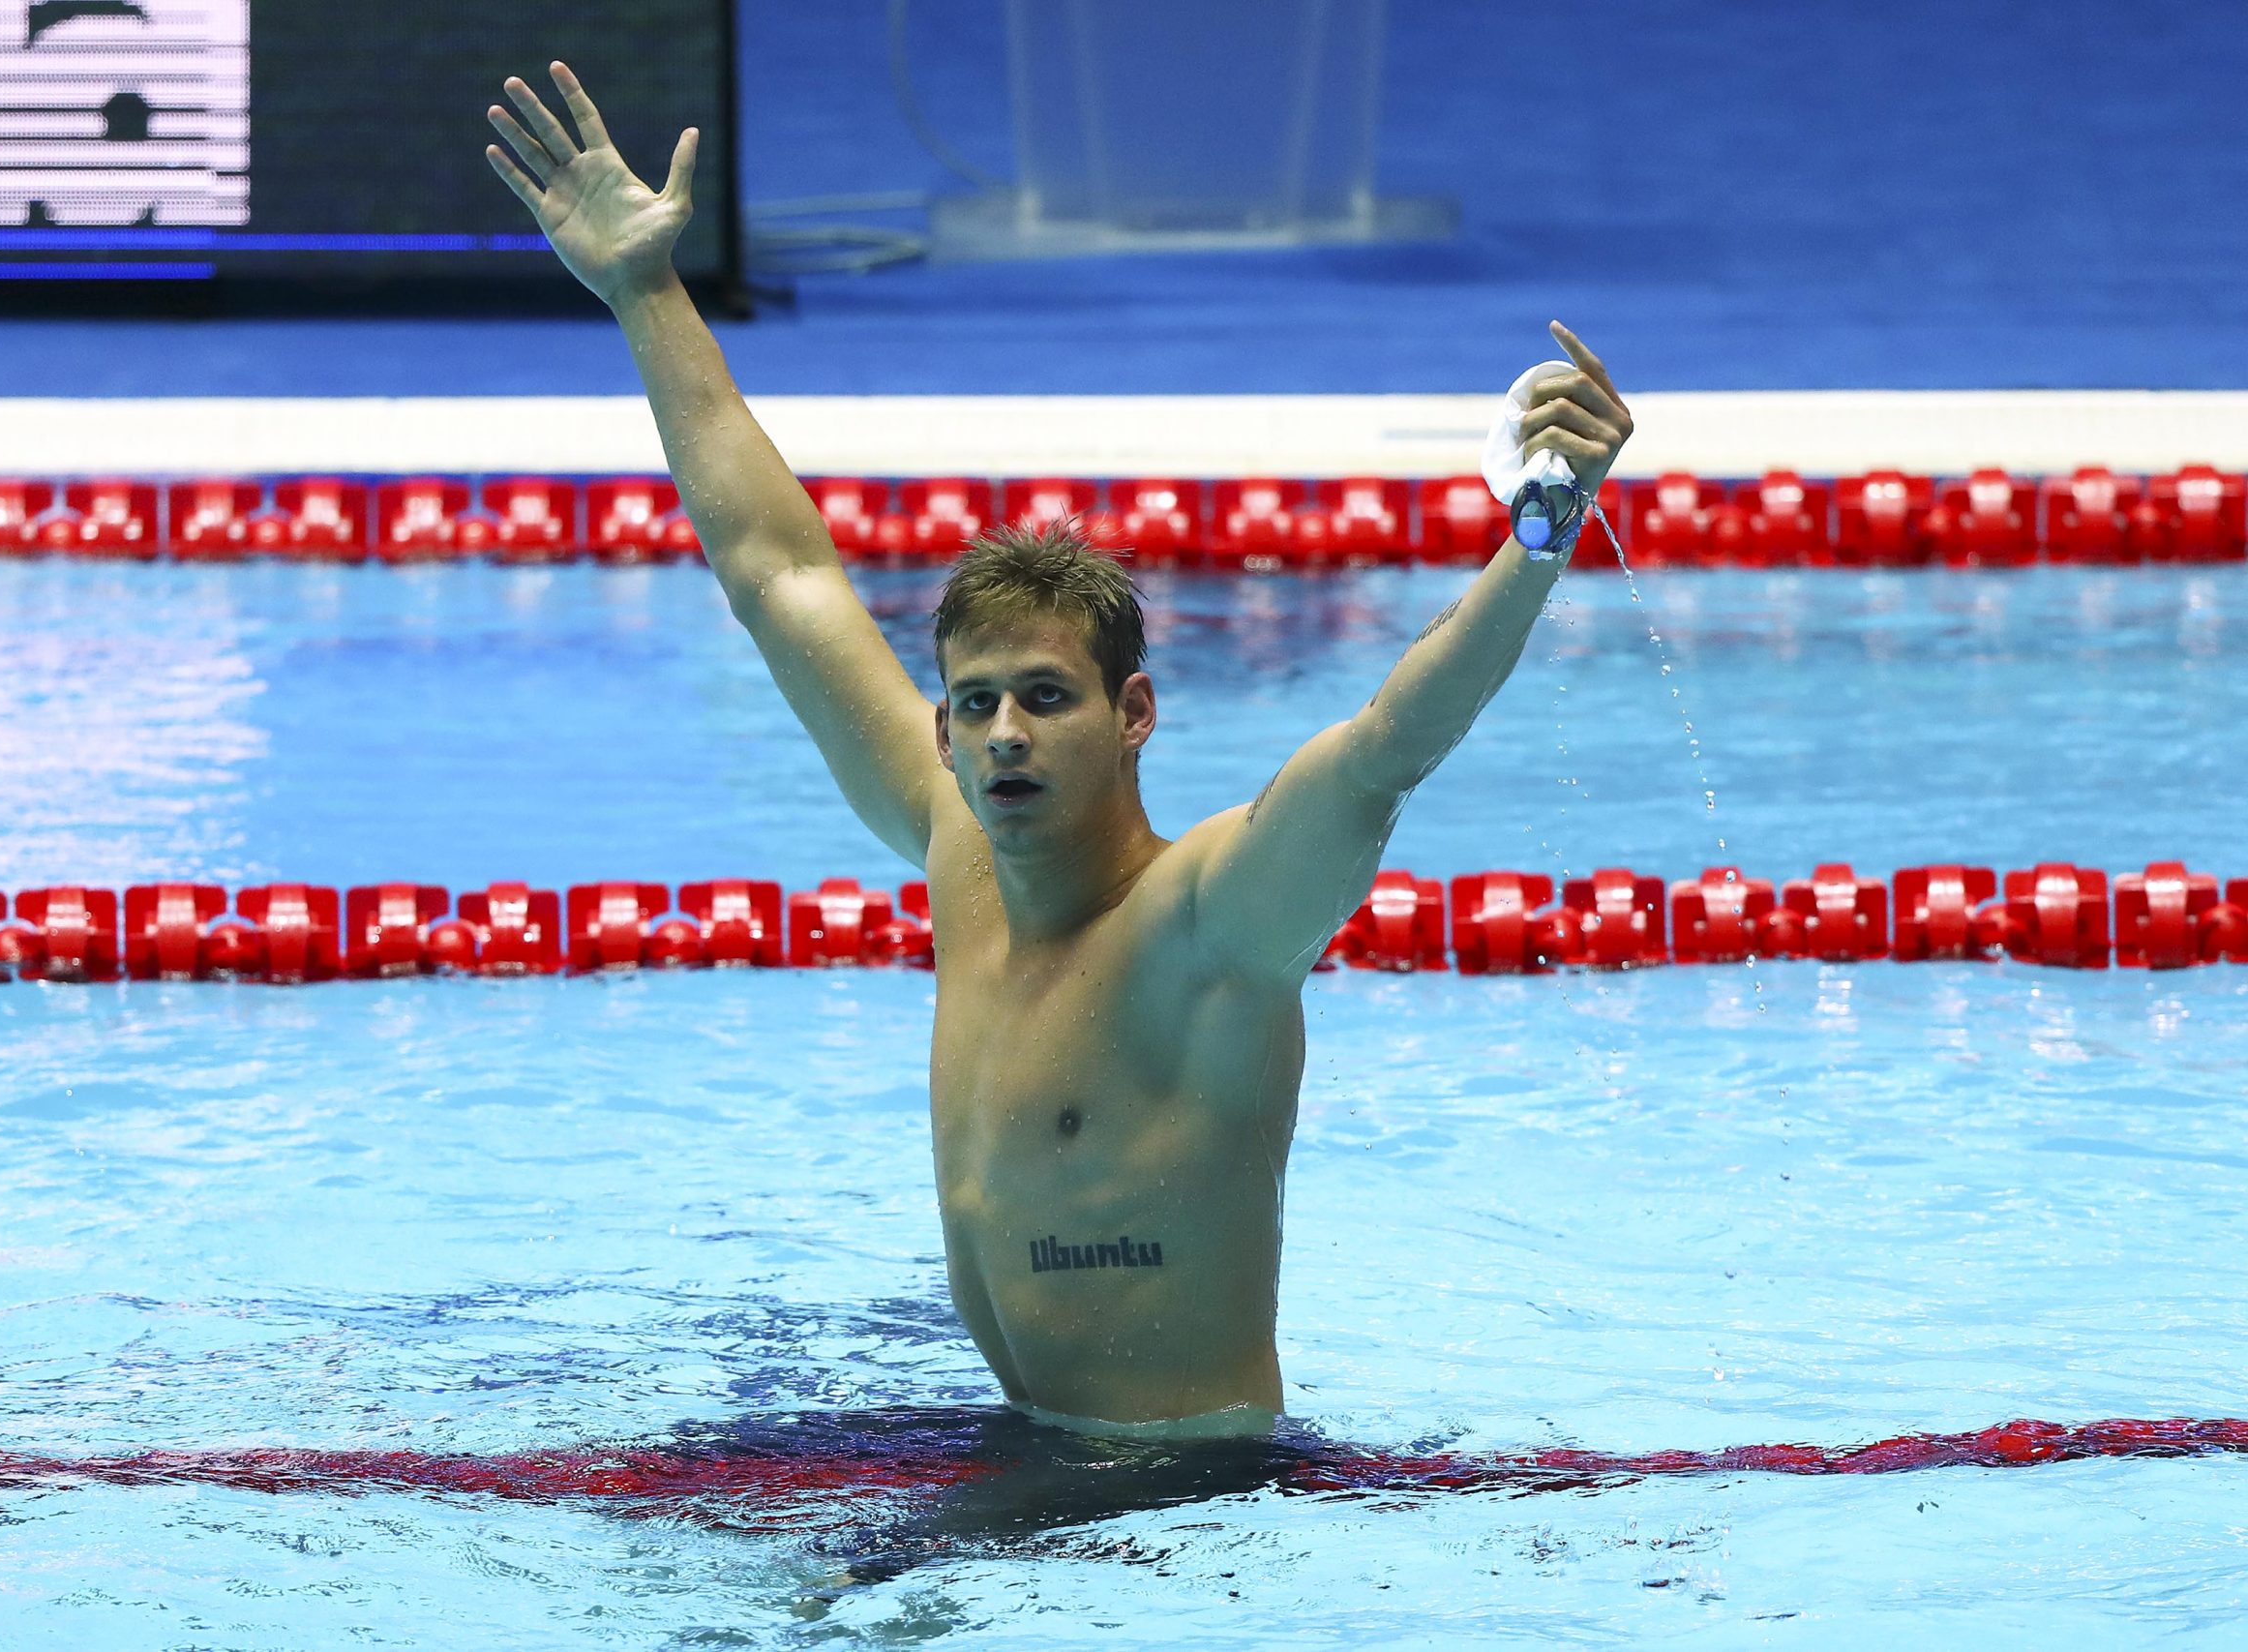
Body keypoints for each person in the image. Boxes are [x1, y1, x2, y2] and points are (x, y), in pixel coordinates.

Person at [487, 65, 1633, 1441]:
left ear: (1133, 713)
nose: (1004, 735)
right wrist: (642, 291)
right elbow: (774, 568)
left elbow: (1390, 744)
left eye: (1045, 696)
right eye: (975, 705)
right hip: (1027, 1453)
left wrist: (1543, 532)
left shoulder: (1217, 923)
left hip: (1177, 1492)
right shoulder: (955, 853)